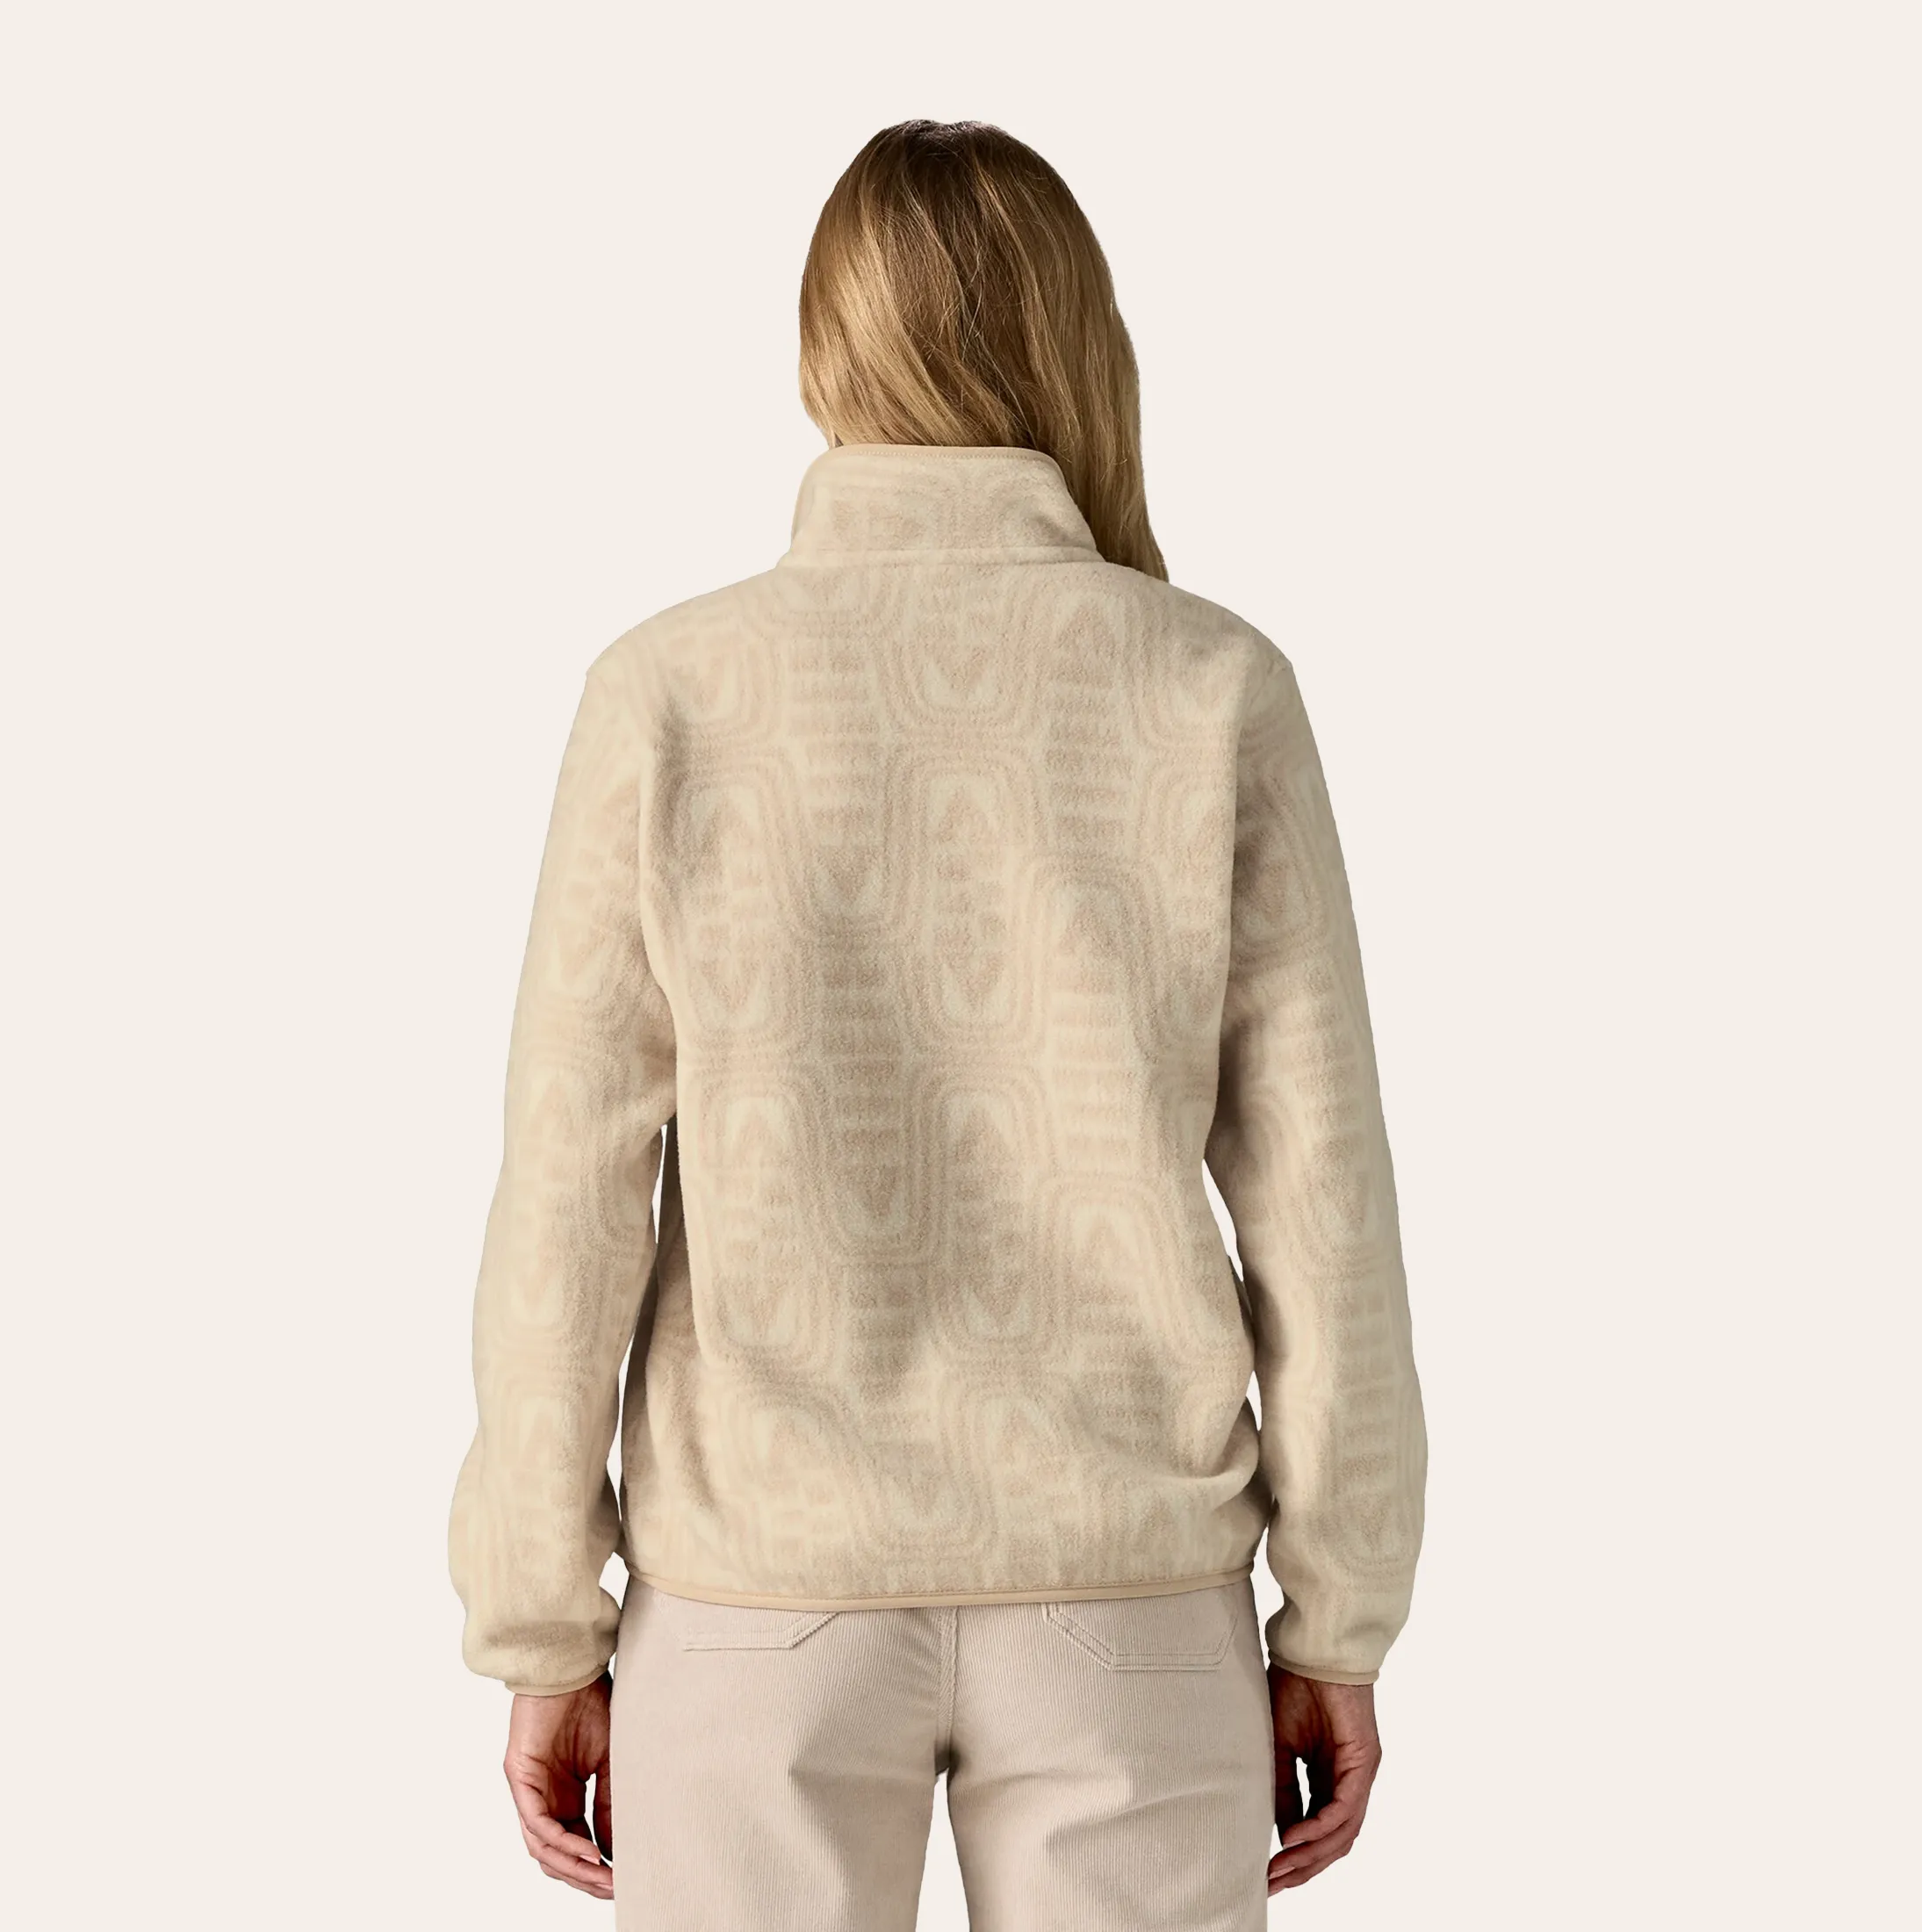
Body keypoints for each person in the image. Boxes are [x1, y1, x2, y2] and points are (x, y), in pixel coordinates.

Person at [449, 118, 1426, 1930]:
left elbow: (566, 1200)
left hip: (755, 1598)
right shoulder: (1212, 685)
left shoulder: (668, 693)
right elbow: (1324, 1196)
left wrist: (539, 1624)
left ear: (823, 349)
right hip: (1130, 1597)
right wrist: (1340, 1615)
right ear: (1079, 337)